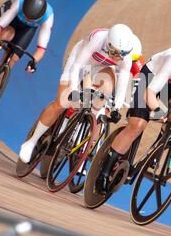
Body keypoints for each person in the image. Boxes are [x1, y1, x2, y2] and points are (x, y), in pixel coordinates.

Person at [96, 42, 171, 193]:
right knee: (137, 125)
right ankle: (104, 171)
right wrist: (158, 111)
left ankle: (159, 146)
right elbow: (149, 93)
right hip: (152, 76)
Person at [18, 24, 142, 164]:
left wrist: (117, 108)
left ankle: (86, 123)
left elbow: (124, 82)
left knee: (106, 88)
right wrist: (73, 89)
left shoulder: (126, 56)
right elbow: (77, 66)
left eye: (122, 55)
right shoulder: (98, 39)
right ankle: (31, 142)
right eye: (115, 53)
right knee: (62, 102)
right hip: (79, 61)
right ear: (108, 45)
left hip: (99, 68)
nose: (118, 58)